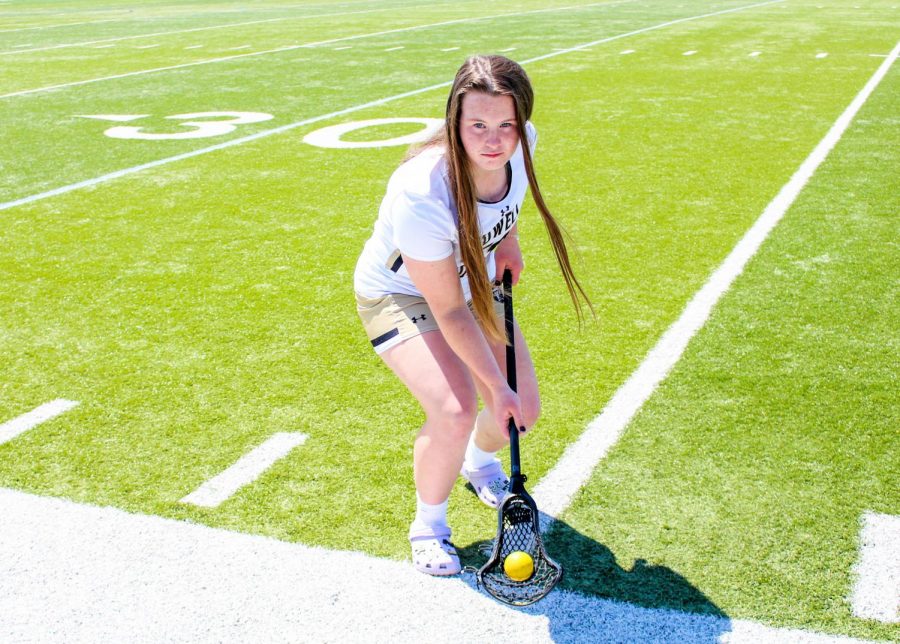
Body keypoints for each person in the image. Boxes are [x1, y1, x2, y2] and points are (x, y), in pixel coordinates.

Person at [353, 55, 590, 576]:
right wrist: (492, 387)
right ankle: (428, 527)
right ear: (454, 122)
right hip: (403, 294)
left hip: (471, 281)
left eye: (506, 125)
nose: (494, 140)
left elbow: (505, 198)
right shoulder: (422, 193)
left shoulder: (522, 143)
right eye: (477, 125)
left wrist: (509, 240)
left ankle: (479, 465)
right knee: (459, 407)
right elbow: (447, 309)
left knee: (522, 410)